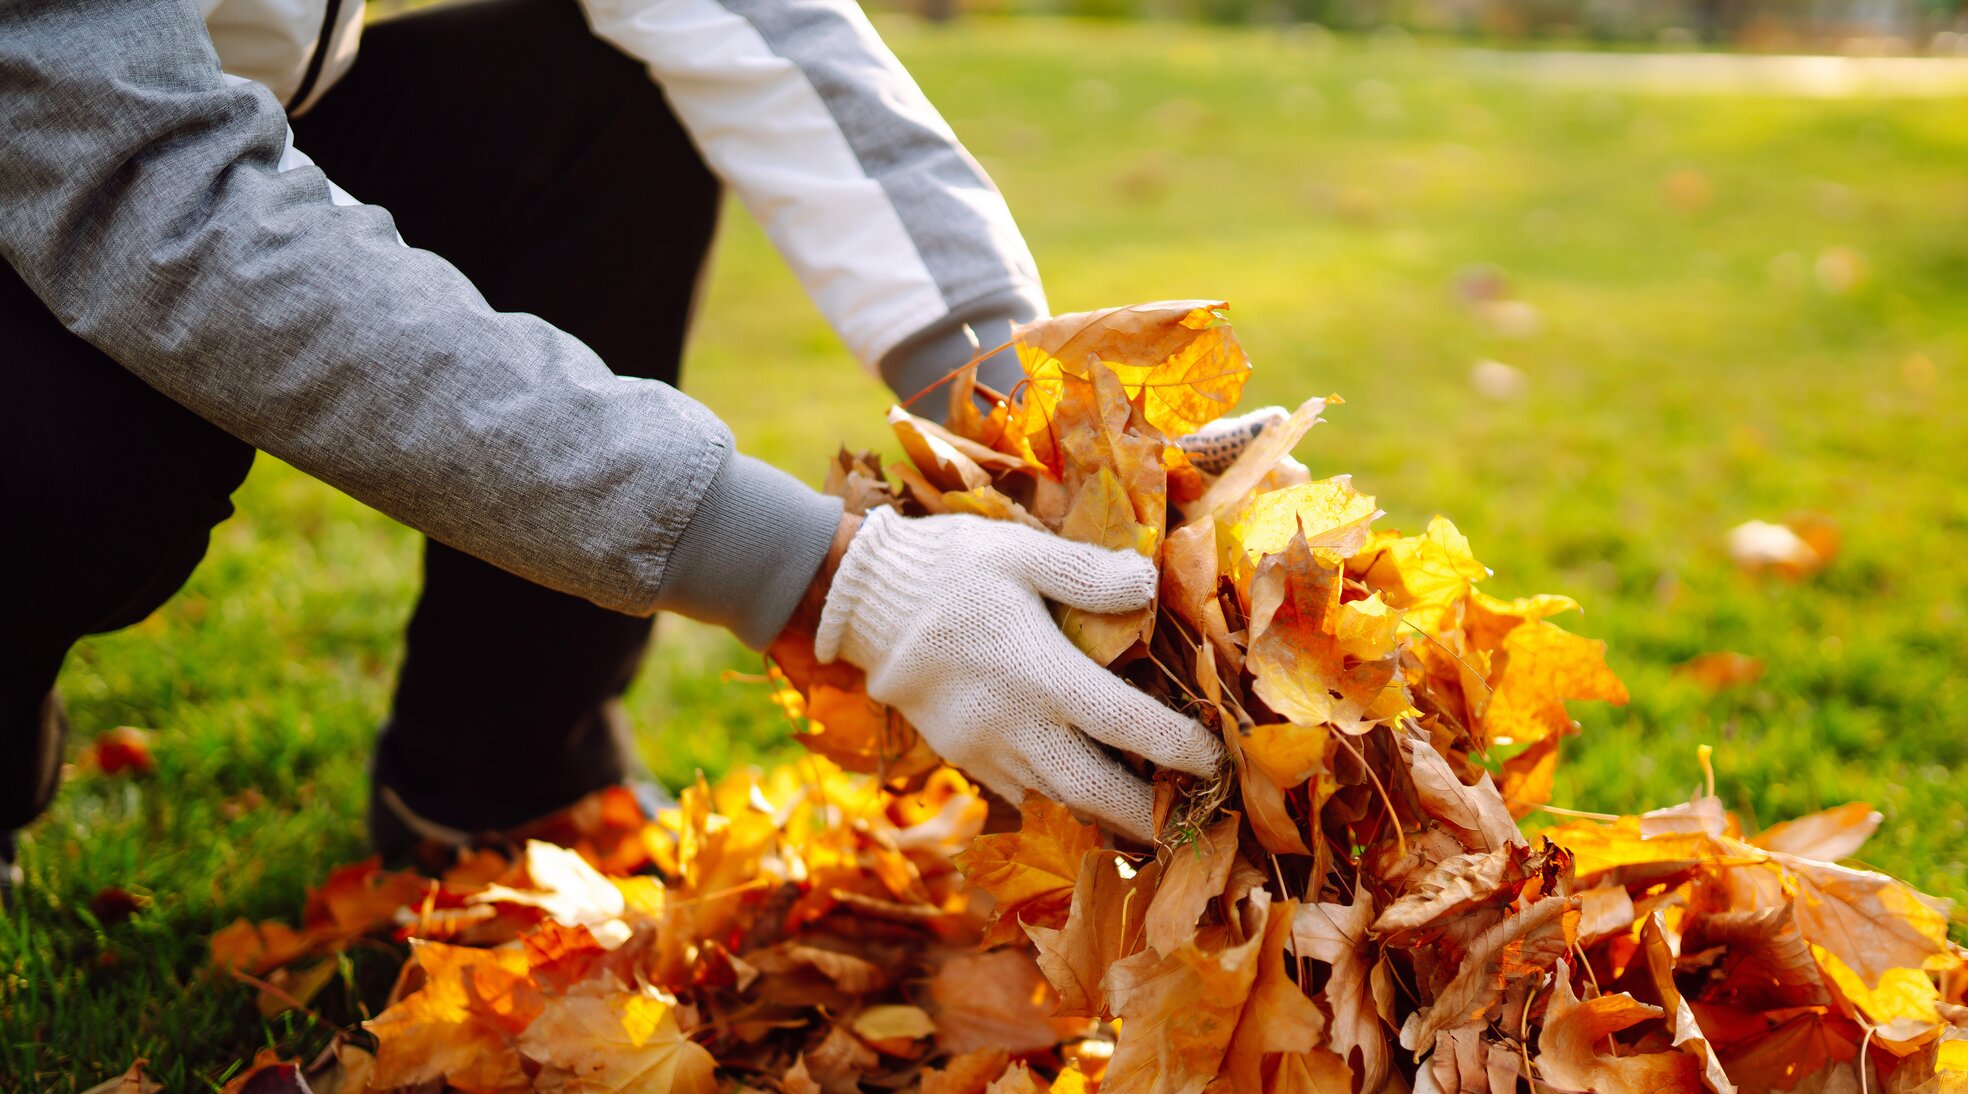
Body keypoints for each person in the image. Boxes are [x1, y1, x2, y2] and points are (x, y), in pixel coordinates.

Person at [0, 0, 1227, 896]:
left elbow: (746, 17)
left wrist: (1024, 423)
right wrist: (827, 580)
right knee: (90, 450)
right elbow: (147, 197)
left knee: (588, 102)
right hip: (76, 163)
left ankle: (501, 773)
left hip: (199, 130)